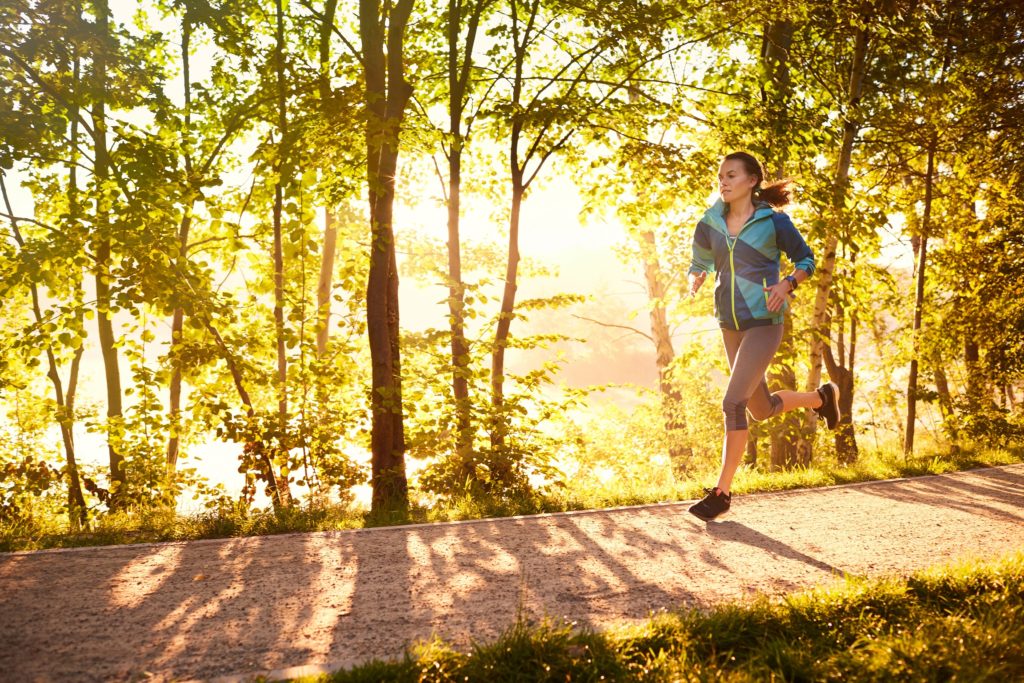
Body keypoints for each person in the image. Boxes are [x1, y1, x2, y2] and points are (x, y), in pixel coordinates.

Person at [686, 151, 841, 522]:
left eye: (731, 175)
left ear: (752, 180)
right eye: (720, 176)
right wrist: (696, 274)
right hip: (729, 322)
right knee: (760, 408)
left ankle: (721, 493)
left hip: (764, 322)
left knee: (732, 403)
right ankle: (820, 398)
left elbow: (806, 260)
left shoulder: (773, 222)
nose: (723, 181)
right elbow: (701, 259)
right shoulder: (710, 222)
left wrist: (787, 284)